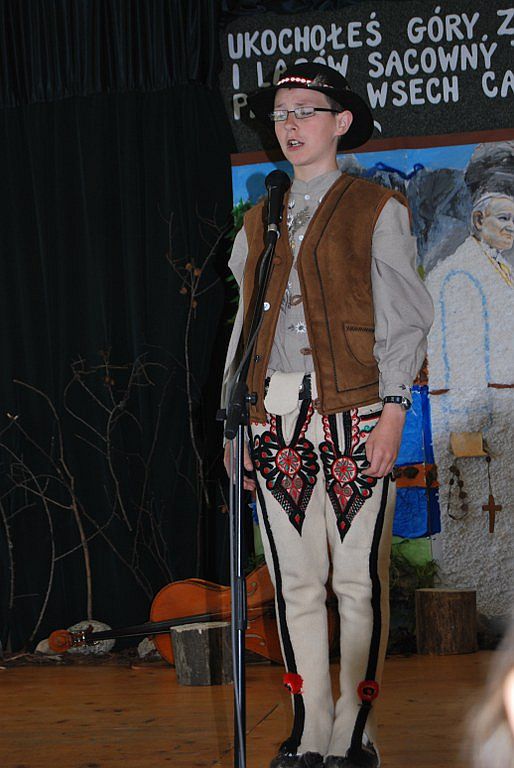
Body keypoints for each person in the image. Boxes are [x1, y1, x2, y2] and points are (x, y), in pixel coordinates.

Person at [222, 63, 433, 768]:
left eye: (305, 110)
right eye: (281, 112)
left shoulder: (377, 208)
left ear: (341, 123)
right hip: (273, 415)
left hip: (356, 410)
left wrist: (396, 410)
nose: (290, 124)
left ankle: (354, 728)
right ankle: (309, 727)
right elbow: (244, 326)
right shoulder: (259, 218)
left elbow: (405, 320)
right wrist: (235, 417)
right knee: (295, 581)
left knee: (356, 581)